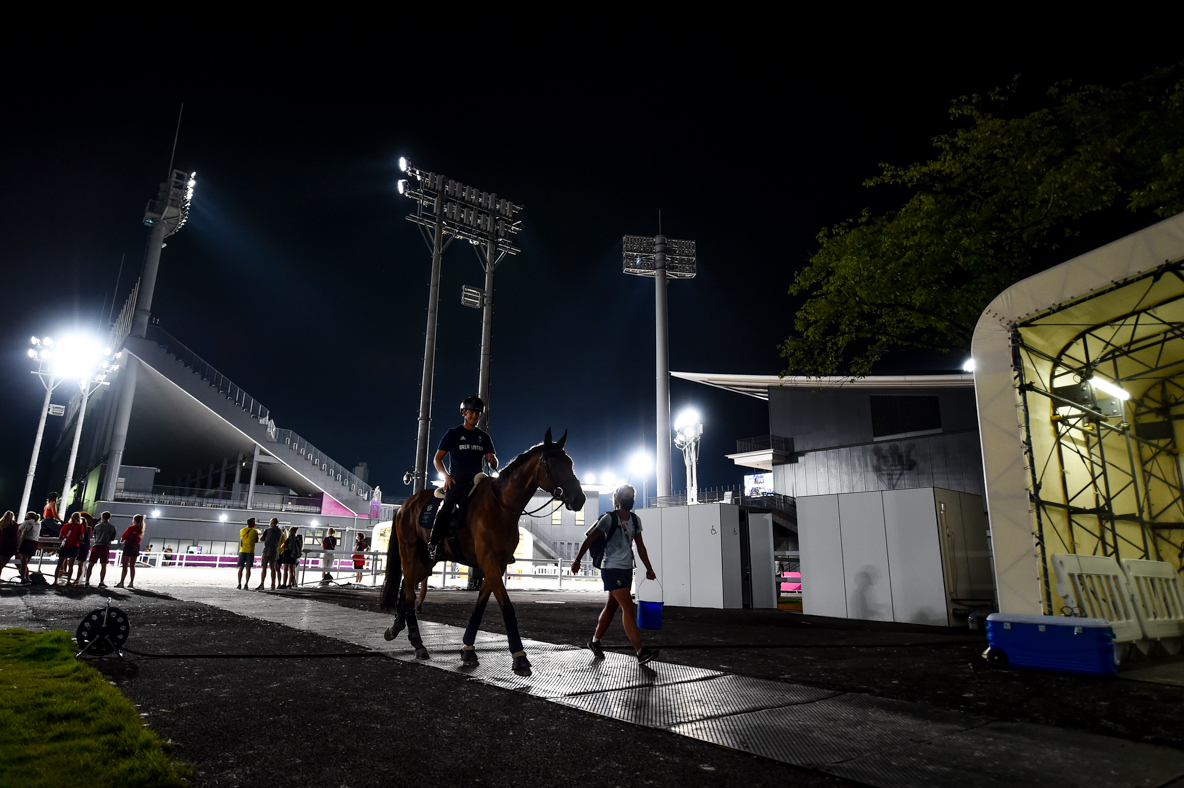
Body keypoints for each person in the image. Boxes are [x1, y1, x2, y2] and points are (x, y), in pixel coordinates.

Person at [571, 483, 660, 665]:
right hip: (611, 568)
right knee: (628, 607)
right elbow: (589, 539)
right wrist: (577, 559)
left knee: (611, 607)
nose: (630, 499)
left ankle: (595, 642)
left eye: (632, 495)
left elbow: (640, 546)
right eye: (626, 495)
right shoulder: (608, 519)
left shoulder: (635, 520)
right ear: (618, 499)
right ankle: (640, 652)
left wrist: (649, 568)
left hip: (627, 569)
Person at [427, 395, 498, 563]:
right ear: (464, 413)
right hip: (456, 480)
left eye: (477, 413)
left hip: (477, 481)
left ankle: (496, 546)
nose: (474, 416)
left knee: (492, 507)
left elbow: (494, 463)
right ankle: (433, 543)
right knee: (448, 506)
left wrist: (493, 461)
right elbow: (437, 459)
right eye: (471, 413)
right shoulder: (453, 434)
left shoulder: (484, 437)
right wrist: (446, 477)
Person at [86, 512, 118, 587]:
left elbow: (94, 535)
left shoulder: (97, 526)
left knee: (91, 564)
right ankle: (101, 582)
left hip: (97, 545)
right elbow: (112, 538)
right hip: (105, 546)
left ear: (102, 517)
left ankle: (87, 581)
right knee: (103, 565)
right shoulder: (112, 527)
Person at [116, 514, 145, 589]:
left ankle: (122, 582)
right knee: (132, 566)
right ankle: (131, 582)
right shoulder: (141, 529)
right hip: (136, 547)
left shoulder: (131, 528)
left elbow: (123, 536)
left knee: (125, 566)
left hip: (128, 546)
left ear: (134, 520)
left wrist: (122, 540)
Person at [55, 512, 84, 586]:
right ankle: (68, 581)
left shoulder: (66, 525)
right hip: (74, 546)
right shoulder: (80, 526)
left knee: (59, 565)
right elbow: (81, 537)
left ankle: (55, 581)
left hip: (65, 546)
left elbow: (60, 536)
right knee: (71, 565)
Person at [15, 512, 40, 586]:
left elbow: (19, 530)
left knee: (23, 563)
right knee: (26, 563)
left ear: (28, 516)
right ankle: (27, 578)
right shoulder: (38, 523)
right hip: (34, 543)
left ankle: (23, 579)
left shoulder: (26, 522)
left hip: (26, 542)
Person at [258, 518, 283, 590]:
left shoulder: (268, 530)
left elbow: (261, 539)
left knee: (264, 568)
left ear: (272, 522)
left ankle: (262, 584)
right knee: (273, 568)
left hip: (266, 550)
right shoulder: (280, 531)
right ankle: (273, 584)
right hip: (274, 550)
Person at [237, 517, 260, 590]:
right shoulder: (255, 531)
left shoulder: (242, 531)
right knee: (248, 569)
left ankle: (239, 584)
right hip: (250, 551)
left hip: (242, 551)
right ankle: (246, 584)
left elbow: (241, 540)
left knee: (240, 568)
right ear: (253, 524)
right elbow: (256, 541)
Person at [0, 511, 18, 583]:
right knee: (3, 564)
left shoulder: (1, 523)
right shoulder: (14, 524)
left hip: (1, 545)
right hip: (10, 546)